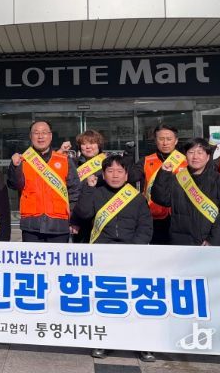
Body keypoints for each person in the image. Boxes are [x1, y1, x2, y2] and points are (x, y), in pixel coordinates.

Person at [70, 154, 153, 361]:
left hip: (131, 254)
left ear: (126, 175)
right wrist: (88, 188)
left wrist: (133, 250)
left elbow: (145, 228)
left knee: (135, 300)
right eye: (110, 171)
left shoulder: (137, 198)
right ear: (103, 174)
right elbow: (83, 213)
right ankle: (104, 340)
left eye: (119, 171)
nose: (115, 175)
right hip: (102, 253)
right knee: (105, 300)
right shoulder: (96, 192)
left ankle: (143, 343)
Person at [151, 138, 220, 246]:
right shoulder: (177, 179)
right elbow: (161, 199)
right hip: (182, 242)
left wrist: (213, 240)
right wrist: (164, 174)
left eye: (200, 153)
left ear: (208, 157)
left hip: (211, 243)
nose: (195, 157)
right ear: (185, 156)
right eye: (191, 152)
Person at [7, 120, 81, 243]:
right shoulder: (22, 160)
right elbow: (14, 185)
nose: (40, 136)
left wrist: (74, 219)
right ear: (30, 136)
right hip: (31, 224)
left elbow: (75, 191)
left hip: (59, 224)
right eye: (36, 133)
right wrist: (14, 167)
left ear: (50, 136)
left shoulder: (64, 160)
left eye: (44, 132)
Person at [136, 124, 188, 244]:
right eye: (161, 139)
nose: (165, 143)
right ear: (155, 141)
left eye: (169, 139)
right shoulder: (146, 161)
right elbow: (131, 176)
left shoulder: (186, 161)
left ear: (176, 141)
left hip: (181, 216)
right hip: (154, 216)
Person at [71, 129, 108, 243]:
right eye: (84, 144)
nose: (88, 147)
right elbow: (71, 193)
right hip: (80, 216)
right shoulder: (73, 164)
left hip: (104, 215)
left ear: (99, 145)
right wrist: (74, 220)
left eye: (92, 143)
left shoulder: (108, 163)